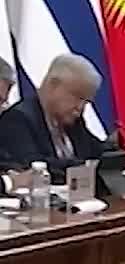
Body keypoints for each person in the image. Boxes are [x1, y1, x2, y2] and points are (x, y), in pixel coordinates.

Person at [0, 53, 105, 183]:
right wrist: (83, 165)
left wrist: (116, 144)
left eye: (86, 101)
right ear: (53, 85)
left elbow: (98, 154)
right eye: (78, 97)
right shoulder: (18, 119)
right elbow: (34, 168)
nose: (80, 107)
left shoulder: (72, 121)